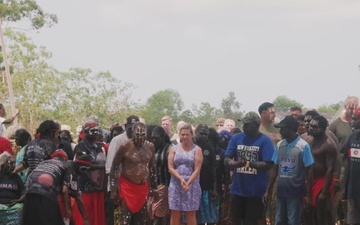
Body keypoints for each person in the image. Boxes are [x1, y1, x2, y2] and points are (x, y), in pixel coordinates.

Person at [224, 111, 275, 225]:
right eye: (244, 124)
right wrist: (235, 163)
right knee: (235, 220)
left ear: (256, 125)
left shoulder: (265, 140)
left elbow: (269, 164)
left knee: (251, 221)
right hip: (238, 189)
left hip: (256, 192)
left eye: (247, 125)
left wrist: (252, 164)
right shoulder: (236, 138)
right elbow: (226, 159)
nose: (244, 127)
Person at [263, 116, 314, 225]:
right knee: (279, 220)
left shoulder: (303, 146)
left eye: (283, 128)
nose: (280, 131)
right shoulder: (280, 145)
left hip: (295, 192)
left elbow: (309, 171)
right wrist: (268, 190)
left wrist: (308, 195)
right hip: (281, 191)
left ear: (291, 128)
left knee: (293, 221)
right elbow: (275, 168)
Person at [18, 150, 91, 225]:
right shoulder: (66, 166)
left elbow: (31, 177)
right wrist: (68, 210)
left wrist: (23, 196)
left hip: (29, 192)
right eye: (83, 169)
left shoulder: (44, 162)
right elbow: (65, 191)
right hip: (46, 194)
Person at [110, 122, 158, 225]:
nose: (140, 138)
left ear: (146, 134)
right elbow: (114, 166)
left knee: (141, 220)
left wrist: (154, 187)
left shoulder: (150, 147)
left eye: (142, 135)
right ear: (132, 133)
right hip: (127, 188)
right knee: (125, 220)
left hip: (143, 188)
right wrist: (113, 188)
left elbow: (152, 168)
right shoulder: (125, 146)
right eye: (137, 135)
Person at [303, 115, 338, 225]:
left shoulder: (329, 145)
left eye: (315, 127)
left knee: (320, 212)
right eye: (311, 126)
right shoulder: (307, 140)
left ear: (324, 128)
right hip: (309, 179)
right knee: (306, 210)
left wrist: (324, 192)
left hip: (322, 181)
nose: (311, 129)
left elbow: (330, 169)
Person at [105, 115, 140, 225]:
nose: (133, 131)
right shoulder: (117, 141)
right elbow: (110, 167)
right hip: (120, 187)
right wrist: (112, 189)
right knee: (119, 219)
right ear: (125, 126)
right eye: (130, 128)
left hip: (135, 188)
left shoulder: (140, 142)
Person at [167, 123, 203, 225]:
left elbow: (197, 170)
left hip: (192, 184)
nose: (185, 137)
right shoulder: (173, 149)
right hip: (176, 183)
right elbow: (170, 167)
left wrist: (188, 182)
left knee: (190, 214)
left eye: (187, 134)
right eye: (183, 134)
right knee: (175, 214)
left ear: (192, 135)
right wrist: (181, 179)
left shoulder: (197, 149)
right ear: (179, 135)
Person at [72, 119, 106, 225]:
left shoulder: (99, 147)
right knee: (86, 218)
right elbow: (81, 165)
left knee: (97, 219)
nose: (95, 133)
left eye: (97, 130)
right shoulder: (82, 146)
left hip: (98, 188)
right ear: (86, 132)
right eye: (92, 130)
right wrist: (101, 167)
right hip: (86, 189)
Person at [194, 124, 218, 225]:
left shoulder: (209, 147)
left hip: (206, 187)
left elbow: (213, 169)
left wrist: (215, 189)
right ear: (195, 133)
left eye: (206, 134)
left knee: (206, 219)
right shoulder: (190, 145)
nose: (203, 136)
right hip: (191, 188)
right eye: (201, 134)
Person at [150, 126, 172, 225]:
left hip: (164, 185)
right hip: (150, 186)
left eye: (156, 138)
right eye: (152, 138)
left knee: (159, 215)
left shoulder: (169, 149)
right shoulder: (150, 148)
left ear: (163, 137)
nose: (154, 140)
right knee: (150, 214)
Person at [341, 107, 360, 225]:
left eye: (356, 119)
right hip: (353, 191)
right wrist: (345, 187)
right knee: (352, 221)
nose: (352, 121)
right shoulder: (353, 137)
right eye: (352, 119)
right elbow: (346, 162)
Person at [0, 152, 25, 225]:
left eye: (11, 164)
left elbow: (23, 192)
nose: (10, 166)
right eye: (7, 164)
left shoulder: (16, 177)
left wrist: (19, 200)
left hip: (14, 209)